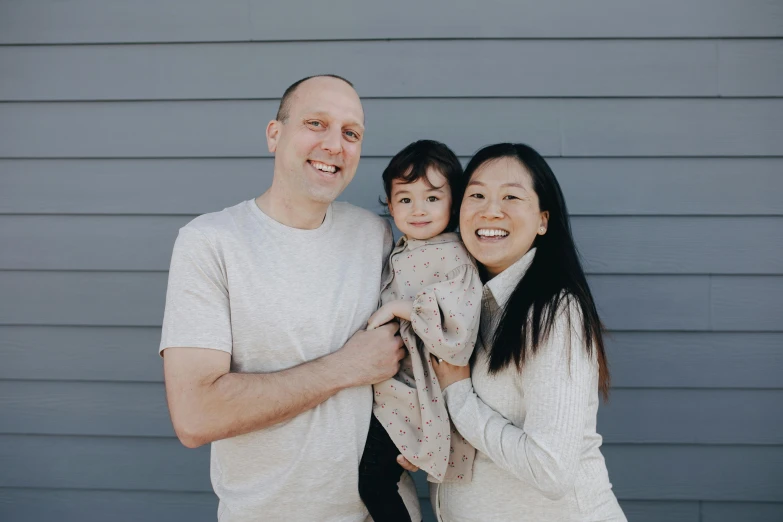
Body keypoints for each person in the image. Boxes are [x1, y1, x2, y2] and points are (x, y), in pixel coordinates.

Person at [159, 75, 421, 522]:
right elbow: (195, 416)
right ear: (274, 135)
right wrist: (347, 367)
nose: (335, 145)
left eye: (350, 133)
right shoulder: (210, 242)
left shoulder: (373, 234)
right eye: (316, 123)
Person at [430, 143, 627, 521]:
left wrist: (458, 394)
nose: (491, 209)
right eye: (477, 195)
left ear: (542, 220)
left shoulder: (554, 313)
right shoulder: (467, 305)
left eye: (511, 196)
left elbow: (549, 470)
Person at [358, 140, 482, 522]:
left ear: (454, 204)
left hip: (417, 390)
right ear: (390, 205)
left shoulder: (455, 255)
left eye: (431, 198)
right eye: (405, 200)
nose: (418, 210)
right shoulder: (405, 247)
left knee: (373, 481)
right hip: (393, 381)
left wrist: (400, 309)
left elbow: (459, 328)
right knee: (372, 474)